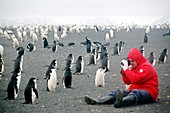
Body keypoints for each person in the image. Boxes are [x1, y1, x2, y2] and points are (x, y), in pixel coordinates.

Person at [84, 48, 159, 108]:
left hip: (149, 92)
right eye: (130, 61)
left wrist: (127, 69)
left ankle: (121, 102)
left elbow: (136, 79)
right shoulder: (134, 66)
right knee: (116, 92)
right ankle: (98, 101)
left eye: (132, 61)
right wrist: (124, 70)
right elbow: (127, 82)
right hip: (135, 90)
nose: (131, 63)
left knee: (135, 93)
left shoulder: (146, 66)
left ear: (138, 59)